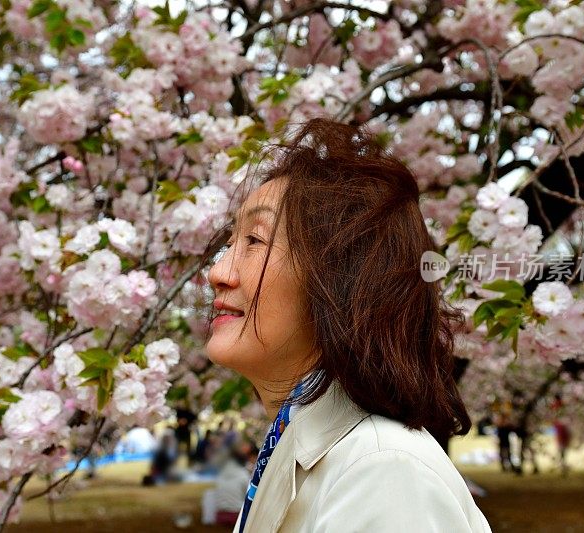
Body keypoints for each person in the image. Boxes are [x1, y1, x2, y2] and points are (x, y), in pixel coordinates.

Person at [200, 119, 492, 532]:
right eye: (230, 243)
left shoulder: (382, 470)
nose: (219, 271)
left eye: (255, 241)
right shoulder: (301, 448)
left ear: (339, 278)